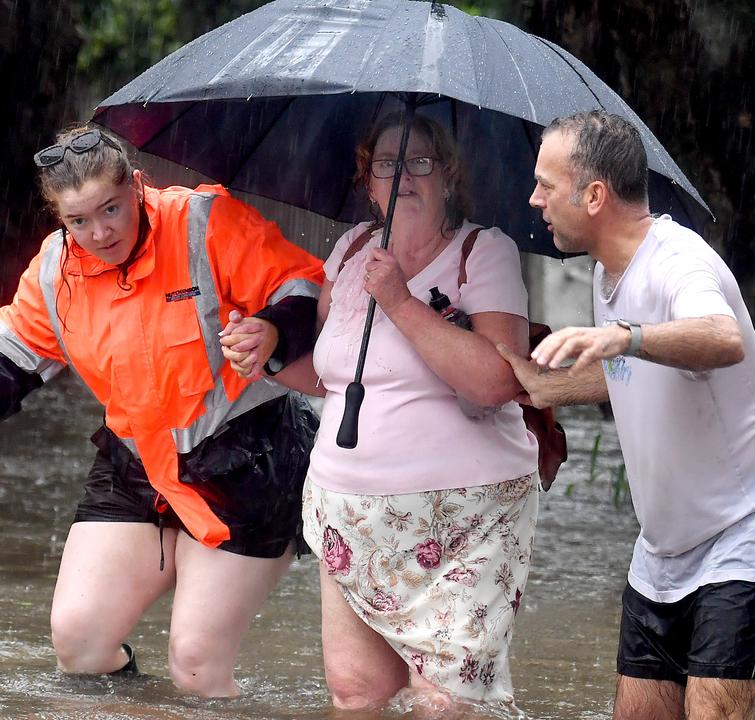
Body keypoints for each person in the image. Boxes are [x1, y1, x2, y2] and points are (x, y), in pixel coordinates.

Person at [0, 125, 323, 696]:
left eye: (111, 209)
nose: (99, 232)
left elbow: (303, 288)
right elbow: (10, 351)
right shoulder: (55, 270)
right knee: (80, 642)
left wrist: (271, 331)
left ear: (138, 187)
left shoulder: (203, 223)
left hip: (250, 463)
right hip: (137, 463)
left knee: (194, 666)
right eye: (79, 220)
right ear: (59, 218)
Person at [497, 109, 755, 720]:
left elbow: (722, 338)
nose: (533, 198)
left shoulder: (678, 260)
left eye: (545, 183)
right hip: (666, 545)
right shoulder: (606, 272)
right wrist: (545, 388)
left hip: (753, 528)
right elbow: (632, 370)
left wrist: (623, 336)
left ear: (594, 195)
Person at [221, 113, 540, 710]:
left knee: (443, 700)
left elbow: (500, 381)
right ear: (367, 181)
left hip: (464, 521)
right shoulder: (350, 250)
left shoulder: (483, 251)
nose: (402, 176)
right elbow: (329, 374)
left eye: (419, 161)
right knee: (355, 694)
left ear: (448, 175)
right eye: (386, 164)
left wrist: (398, 300)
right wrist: (265, 354)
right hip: (351, 516)